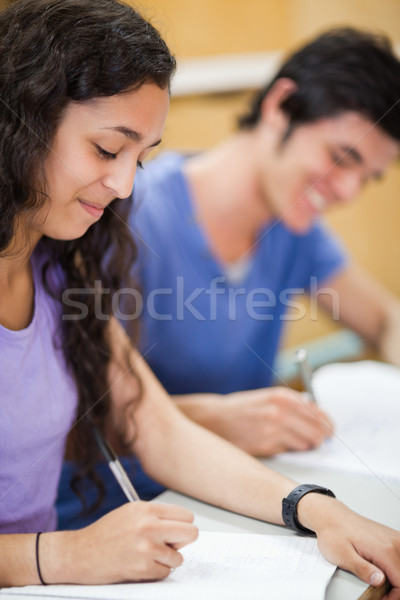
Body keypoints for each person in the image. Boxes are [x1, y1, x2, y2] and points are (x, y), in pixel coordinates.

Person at [1, 0, 400, 592]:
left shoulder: (60, 262)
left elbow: (153, 424)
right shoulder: (122, 224)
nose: (124, 185)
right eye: (109, 151)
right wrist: (57, 557)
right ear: (24, 122)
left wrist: (318, 508)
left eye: (141, 157)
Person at [128, 27, 400, 458]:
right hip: (131, 502)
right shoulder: (137, 216)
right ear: (280, 106)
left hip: (239, 492)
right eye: (341, 158)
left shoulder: (296, 231)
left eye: (367, 178)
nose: (349, 192)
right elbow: (79, 413)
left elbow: (386, 318)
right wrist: (214, 419)